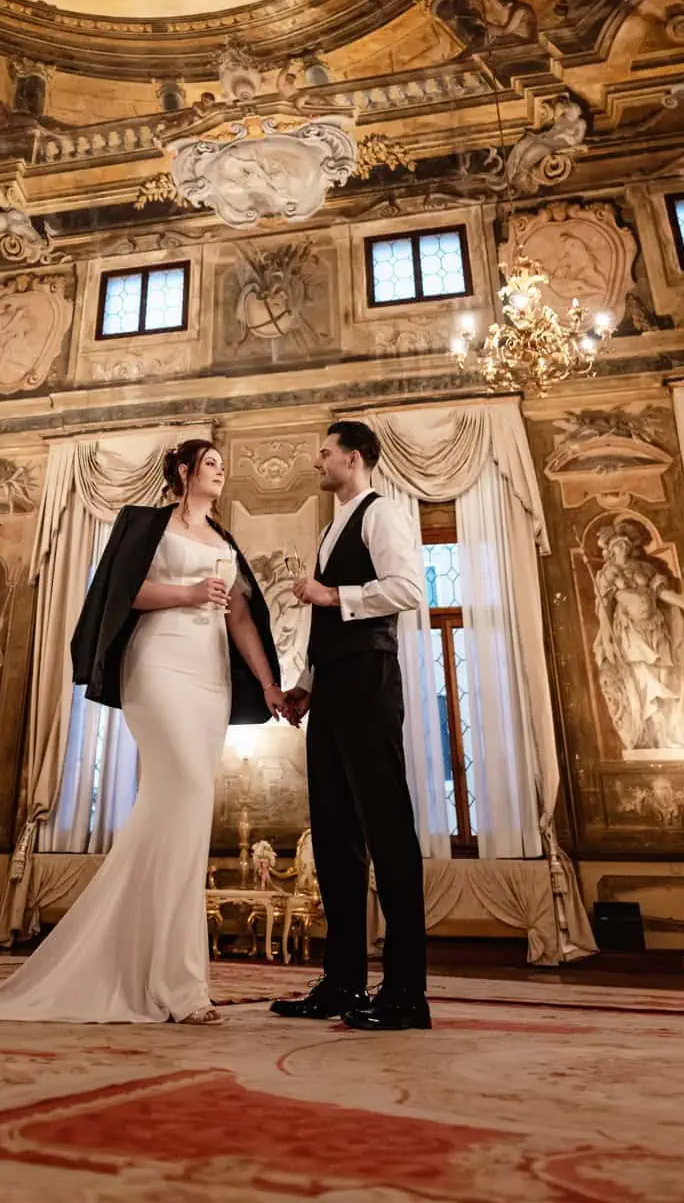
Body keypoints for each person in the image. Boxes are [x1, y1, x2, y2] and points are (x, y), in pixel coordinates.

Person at [0, 439, 284, 1024]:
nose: (221, 473)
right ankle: (179, 984)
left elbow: (242, 619)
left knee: (182, 815)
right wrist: (189, 592)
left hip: (211, 676)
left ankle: (147, 965)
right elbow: (120, 595)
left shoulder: (225, 542)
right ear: (182, 471)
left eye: (224, 466)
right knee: (189, 795)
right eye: (210, 464)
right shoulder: (144, 522)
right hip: (158, 667)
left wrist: (270, 685)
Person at [270, 420, 430, 1032]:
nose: (318, 459)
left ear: (356, 458)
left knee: (386, 829)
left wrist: (333, 595)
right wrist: (305, 688)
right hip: (334, 687)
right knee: (334, 834)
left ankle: (406, 993)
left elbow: (409, 589)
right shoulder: (332, 524)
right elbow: (325, 624)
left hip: (369, 680)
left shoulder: (381, 514)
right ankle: (341, 981)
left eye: (327, 451)